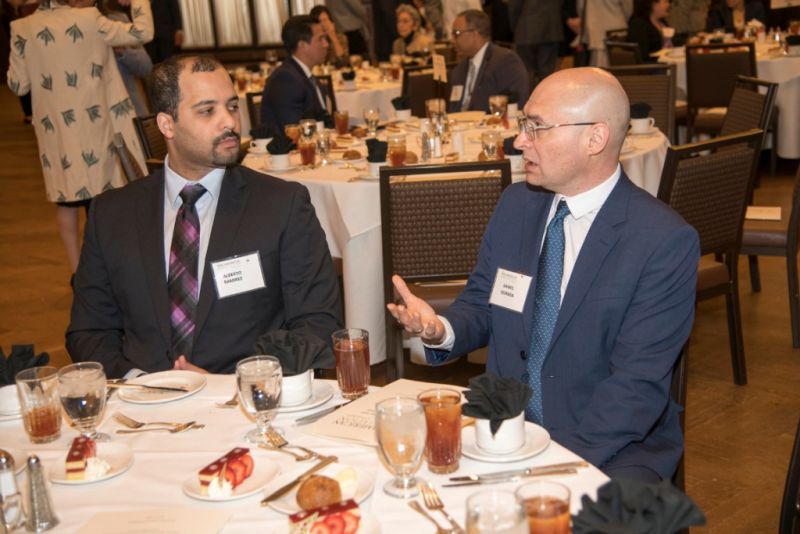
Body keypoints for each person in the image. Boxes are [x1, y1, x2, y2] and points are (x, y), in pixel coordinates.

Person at [388, 67, 699, 482]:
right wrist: (439, 330)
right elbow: (484, 302)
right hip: (501, 428)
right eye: (523, 125)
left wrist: (551, 469)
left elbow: (635, 388)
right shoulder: (517, 205)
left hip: (609, 447)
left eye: (536, 127)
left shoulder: (661, 241)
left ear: (595, 139)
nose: (519, 141)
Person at [66, 55, 343, 378]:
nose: (230, 122)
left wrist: (239, 383)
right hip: (143, 399)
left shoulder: (282, 205)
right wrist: (140, 383)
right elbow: (89, 331)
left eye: (232, 106)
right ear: (167, 124)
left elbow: (319, 324)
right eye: (207, 110)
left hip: (244, 396)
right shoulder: (112, 214)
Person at [7, 0, 152, 272]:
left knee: (67, 202)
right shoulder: (90, 18)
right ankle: (113, 269)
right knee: (105, 203)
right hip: (97, 133)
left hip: (58, 137)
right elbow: (143, 32)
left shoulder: (22, 28)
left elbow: (18, 85)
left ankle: (78, 274)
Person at [446, 10, 529, 114]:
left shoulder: (505, 61)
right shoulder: (458, 71)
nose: (452, 40)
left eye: (456, 33)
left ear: (475, 34)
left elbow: (517, 104)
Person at [260, 15, 331, 130]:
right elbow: (295, 131)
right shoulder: (285, 80)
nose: (326, 44)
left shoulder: (305, 76)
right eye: (320, 39)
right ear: (302, 45)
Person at [509, 0, 564, 88]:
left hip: (526, 29)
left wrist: (515, 27)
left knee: (527, 71)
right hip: (550, 29)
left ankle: (530, 96)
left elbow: (514, 7)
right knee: (547, 72)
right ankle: (546, 95)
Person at [144, 0, 181, 64]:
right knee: (152, 61)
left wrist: (179, 29)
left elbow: (175, 10)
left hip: (166, 32)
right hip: (148, 35)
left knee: (166, 60)